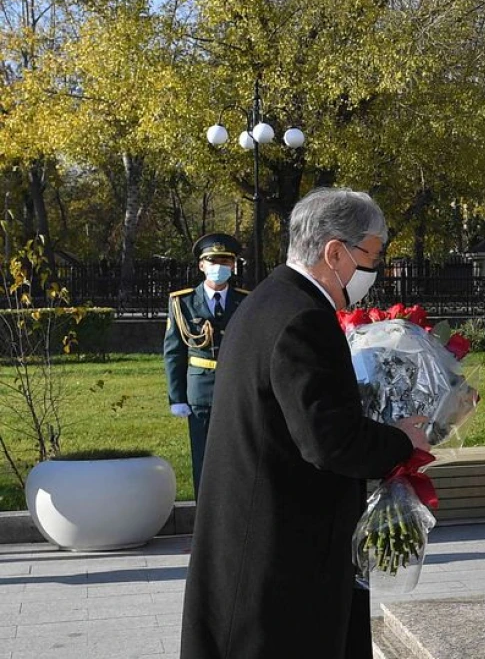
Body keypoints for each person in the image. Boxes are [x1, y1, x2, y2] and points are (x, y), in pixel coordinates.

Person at [180, 188, 432, 659]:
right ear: (335, 252)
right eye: (372, 256)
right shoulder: (303, 319)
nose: (374, 272)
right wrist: (402, 440)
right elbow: (329, 440)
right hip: (280, 552)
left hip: (255, 534)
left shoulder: (269, 300)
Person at [163, 233, 249, 498]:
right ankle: (205, 523)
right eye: (212, 260)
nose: (219, 266)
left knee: (237, 459)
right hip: (200, 391)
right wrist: (176, 397)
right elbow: (174, 351)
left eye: (225, 261)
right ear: (201, 265)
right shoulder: (183, 302)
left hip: (236, 392)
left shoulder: (246, 300)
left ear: (233, 266)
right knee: (204, 459)